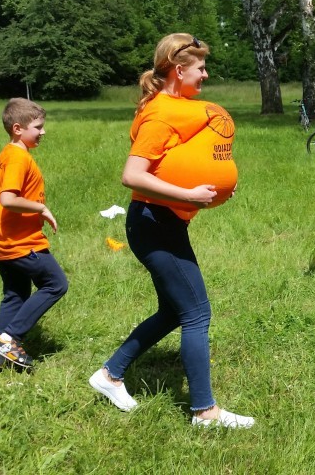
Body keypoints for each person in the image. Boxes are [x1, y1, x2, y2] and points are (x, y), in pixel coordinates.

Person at [88, 33, 254, 429]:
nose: (206, 74)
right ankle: (205, 411)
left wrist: (215, 185)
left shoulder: (177, 107)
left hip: (164, 221)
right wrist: (189, 194)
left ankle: (110, 375)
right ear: (179, 70)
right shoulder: (161, 114)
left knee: (173, 311)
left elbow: (182, 159)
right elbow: (132, 175)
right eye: (201, 68)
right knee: (196, 313)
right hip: (153, 223)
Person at [0, 98, 69, 370]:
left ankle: (1, 358)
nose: (43, 131)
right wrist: (40, 207)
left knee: (16, 293)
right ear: (17, 129)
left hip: (0, 239)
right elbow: (8, 199)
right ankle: (10, 338)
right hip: (18, 243)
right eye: (38, 127)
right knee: (56, 284)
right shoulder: (19, 158)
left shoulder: (9, 152)